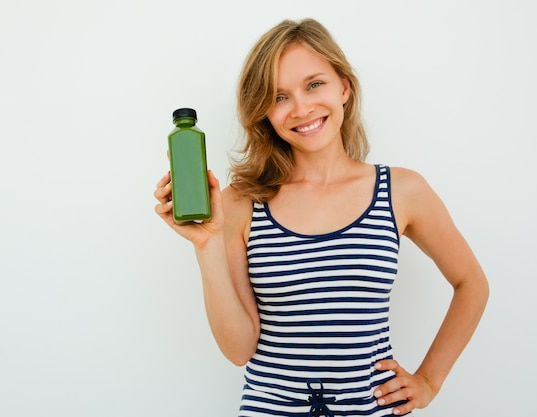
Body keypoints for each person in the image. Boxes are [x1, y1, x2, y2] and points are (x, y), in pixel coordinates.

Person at [154, 18, 488, 417]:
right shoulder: (241, 203)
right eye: (279, 97)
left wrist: (429, 380)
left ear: (344, 86)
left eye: (314, 84)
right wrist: (207, 245)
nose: (302, 108)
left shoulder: (402, 191)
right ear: (264, 112)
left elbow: (472, 283)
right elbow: (239, 349)